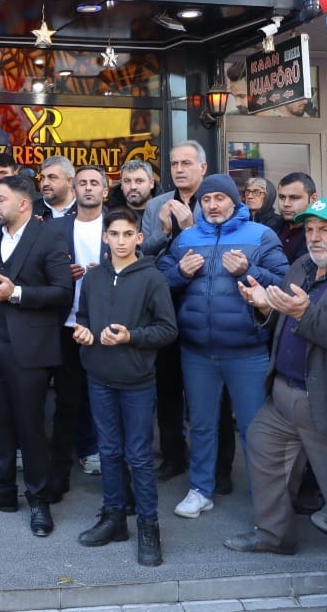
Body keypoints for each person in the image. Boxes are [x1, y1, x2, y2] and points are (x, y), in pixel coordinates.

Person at [231, 199, 327, 612]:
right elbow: (283, 322)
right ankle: (274, 536)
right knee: (263, 455)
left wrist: (304, 313)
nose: (314, 237)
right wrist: (266, 307)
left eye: (325, 229)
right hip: (283, 395)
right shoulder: (300, 265)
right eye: (310, 228)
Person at [158, 173, 288, 519]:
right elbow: (158, 284)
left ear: (235, 201)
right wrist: (179, 274)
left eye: (220, 198)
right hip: (197, 351)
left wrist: (250, 269)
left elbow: (285, 284)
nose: (213, 205)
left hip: (247, 351)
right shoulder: (186, 238)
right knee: (200, 424)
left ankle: (266, 499)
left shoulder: (260, 235)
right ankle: (201, 489)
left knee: (254, 428)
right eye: (206, 200)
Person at [0, 174, 73, 538]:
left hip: (29, 350)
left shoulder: (49, 236)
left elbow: (62, 292)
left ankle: (38, 501)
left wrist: (17, 294)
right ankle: (3, 491)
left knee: (31, 428)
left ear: (23, 203)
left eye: (0, 200)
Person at [73, 207, 175, 566]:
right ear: (105, 237)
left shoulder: (152, 279)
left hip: (136, 381)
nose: (120, 241)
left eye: (126, 235)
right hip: (99, 375)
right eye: (113, 234)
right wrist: (83, 332)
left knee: (140, 456)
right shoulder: (94, 278)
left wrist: (132, 336)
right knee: (109, 451)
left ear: (138, 238)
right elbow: (83, 317)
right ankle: (114, 515)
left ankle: (149, 525)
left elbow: (168, 329)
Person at [140, 142, 215, 485]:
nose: (179, 169)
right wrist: (167, 232)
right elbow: (143, 257)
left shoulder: (217, 200)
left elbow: (218, 251)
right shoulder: (157, 203)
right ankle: (173, 456)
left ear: (203, 166)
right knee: (167, 391)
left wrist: (189, 228)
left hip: (207, 307)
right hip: (165, 307)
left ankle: (217, 467)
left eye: (187, 163)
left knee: (208, 396)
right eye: (174, 163)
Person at [44, 164, 110, 502]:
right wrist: (62, 274)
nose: (87, 188)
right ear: (74, 186)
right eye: (82, 182)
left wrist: (109, 270)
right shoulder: (56, 227)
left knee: (106, 403)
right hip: (66, 325)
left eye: (94, 183)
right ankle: (59, 475)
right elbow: (41, 269)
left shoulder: (117, 225)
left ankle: (113, 477)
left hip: (104, 328)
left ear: (104, 190)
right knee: (67, 402)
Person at [270, 173, 318, 263]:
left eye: (294, 198)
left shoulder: (320, 234)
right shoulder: (271, 228)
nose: (286, 204)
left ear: (313, 199)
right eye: (282, 197)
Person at [35, 156, 77, 220]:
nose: (45, 183)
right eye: (42, 178)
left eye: (52, 177)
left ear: (70, 182)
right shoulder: (29, 212)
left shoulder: (87, 210)